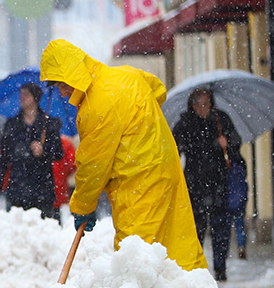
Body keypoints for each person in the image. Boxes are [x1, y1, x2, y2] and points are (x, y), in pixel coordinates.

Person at [39, 38, 207, 272]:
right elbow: (157, 89)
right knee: (176, 238)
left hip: (138, 178)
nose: (63, 91)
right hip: (164, 162)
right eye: (57, 86)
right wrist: (137, 124)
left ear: (75, 74)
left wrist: (83, 206)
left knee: (136, 252)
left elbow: (93, 165)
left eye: (62, 83)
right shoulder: (126, 75)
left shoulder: (96, 106)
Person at [172, 88, 243, 281]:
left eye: (207, 104)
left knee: (221, 227)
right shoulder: (185, 123)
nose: (203, 109)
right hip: (195, 184)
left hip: (219, 182)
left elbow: (236, 142)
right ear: (192, 105)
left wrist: (227, 143)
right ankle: (197, 269)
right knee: (197, 227)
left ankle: (220, 269)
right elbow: (174, 149)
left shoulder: (221, 120)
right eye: (199, 105)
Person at [0, 82, 64, 220]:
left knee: (43, 231)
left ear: (35, 98)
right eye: (21, 94)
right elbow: (4, 158)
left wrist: (44, 150)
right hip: (18, 189)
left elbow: (59, 153)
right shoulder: (12, 124)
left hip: (43, 189)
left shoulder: (49, 124)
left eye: (26, 94)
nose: (22, 97)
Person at [53, 135, 77, 215]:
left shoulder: (39, 142)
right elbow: (72, 163)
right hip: (62, 185)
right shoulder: (65, 142)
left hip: (47, 192)